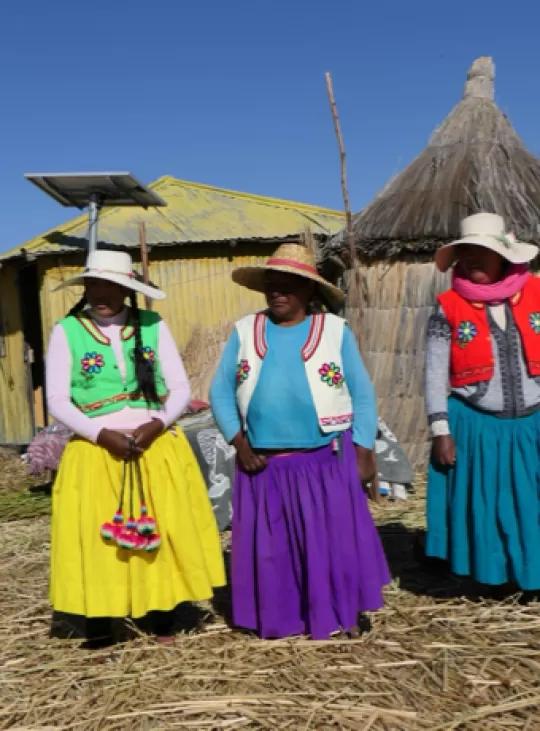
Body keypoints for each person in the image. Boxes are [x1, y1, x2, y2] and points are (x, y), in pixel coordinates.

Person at [210, 243, 390, 640]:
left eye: (288, 286)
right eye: (271, 286)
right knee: (273, 551)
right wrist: (239, 443)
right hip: (263, 463)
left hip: (324, 458)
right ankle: (282, 618)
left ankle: (341, 615)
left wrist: (364, 449)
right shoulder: (245, 331)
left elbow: (361, 393)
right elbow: (220, 391)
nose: (277, 293)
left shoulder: (333, 332)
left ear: (309, 291)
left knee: (333, 544)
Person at [46, 250, 226, 647]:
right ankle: (100, 627)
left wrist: (158, 423)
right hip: (96, 451)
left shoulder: (152, 325)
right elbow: (58, 400)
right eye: (94, 284)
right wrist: (101, 435)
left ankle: (160, 616)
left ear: (127, 289)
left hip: (153, 445)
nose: (101, 293)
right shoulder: (68, 331)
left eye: (110, 285)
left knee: (157, 530)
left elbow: (179, 388)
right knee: (99, 539)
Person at [425, 212, 540, 591]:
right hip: (478, 424)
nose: (474, 258)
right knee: (487, 506)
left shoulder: (537, 293)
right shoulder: (448, 306)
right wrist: (440, 429)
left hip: (533, 424)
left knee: (531, 503)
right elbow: (434, 371)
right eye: (467, 251)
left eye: (483, 251)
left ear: (503, 257)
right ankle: (496, 578)